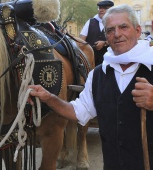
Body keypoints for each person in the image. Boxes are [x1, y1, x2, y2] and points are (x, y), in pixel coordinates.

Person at [29, 4, 153, 170]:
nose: (117, 34)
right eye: (110, 30)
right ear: (106, 37)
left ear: (137, 31)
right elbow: (78, 111)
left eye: (123, 27)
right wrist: (49, 98)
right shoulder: (97, 75)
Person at [79, 0, 114, 66]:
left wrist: (104, 43)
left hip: (109, 62)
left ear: (111, 10)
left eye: (104, 8)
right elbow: (81, 41)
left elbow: (117, 40)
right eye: (100, 8)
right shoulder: (90, 22)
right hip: (90, 62)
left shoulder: (115, 23)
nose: (101, 10)